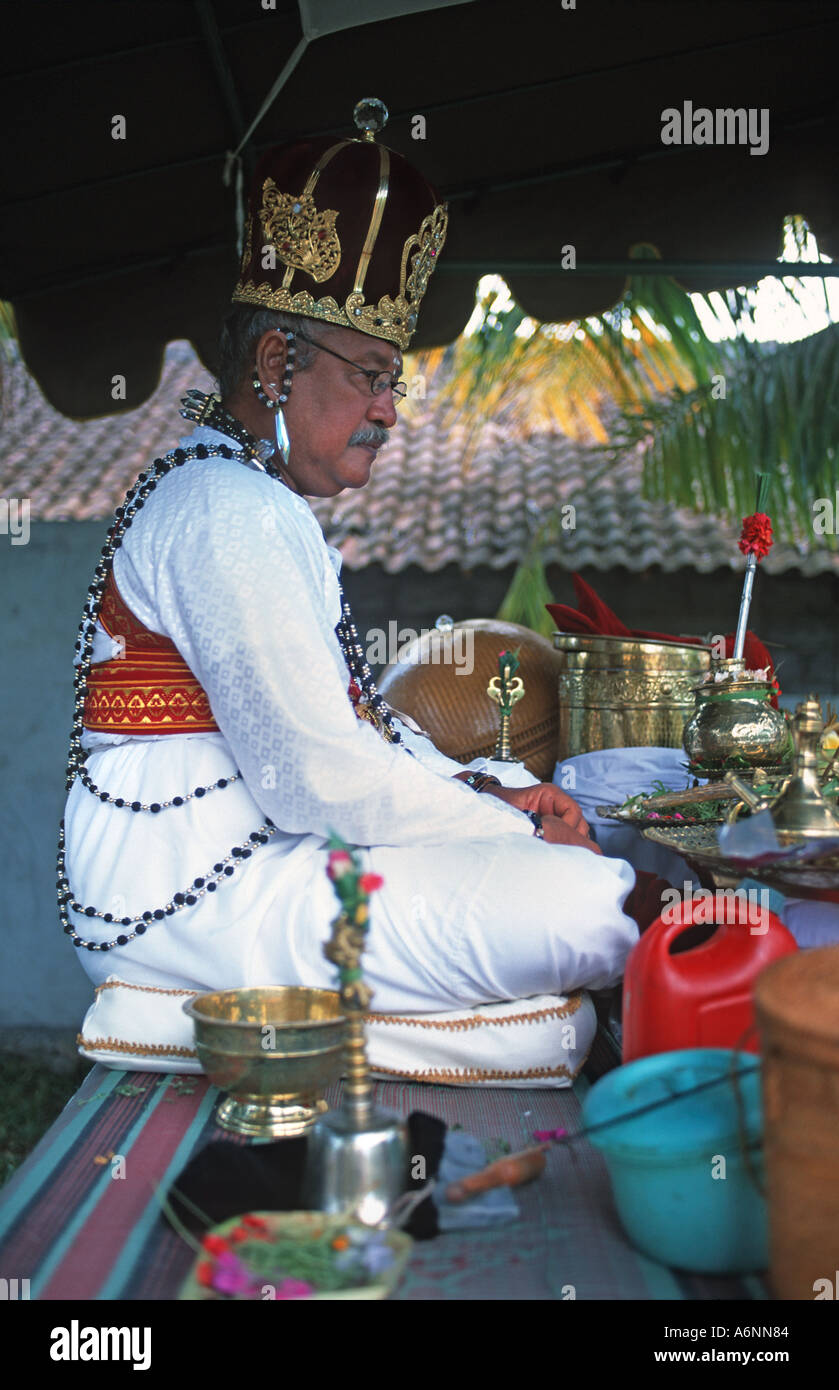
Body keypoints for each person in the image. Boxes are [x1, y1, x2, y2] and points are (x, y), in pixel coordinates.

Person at [60, 100, 645, 1027]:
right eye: (369, 376)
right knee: (586, 907)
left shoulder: (243, 496)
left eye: (392, 381)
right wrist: (513, 822)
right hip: (194, 894)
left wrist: (485, 788)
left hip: (237, 865)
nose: (389, 411)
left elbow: (345, 730)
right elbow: (316, 778)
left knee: (577, 852)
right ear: (272, 364)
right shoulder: (227, 508)